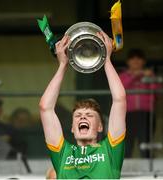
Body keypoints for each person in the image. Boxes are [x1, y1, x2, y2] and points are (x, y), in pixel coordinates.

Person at [39, 31, 126, 179]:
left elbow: (119, 99)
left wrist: (107, 60)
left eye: (89, 115)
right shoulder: (63, 153)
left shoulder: (110, 150)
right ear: (72, 128)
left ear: (100, 127)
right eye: (78, 115)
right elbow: (45, 108)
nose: (82, 117)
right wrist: (62, 65)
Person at [119, 49, 162, 158]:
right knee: (127, 144)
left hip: (146, 114)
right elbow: (120, 89)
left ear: (143, 61)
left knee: (146, 143)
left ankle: (149, 170)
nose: (136, 61)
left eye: (139, 59)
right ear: (128, 62)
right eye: (133, 59)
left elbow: (157, 93)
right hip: (127, 114)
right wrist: (136, 75)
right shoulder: (122, 76)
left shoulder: (149, 75)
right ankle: (123, 170)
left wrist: (149, 77)